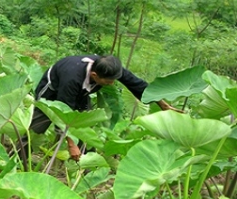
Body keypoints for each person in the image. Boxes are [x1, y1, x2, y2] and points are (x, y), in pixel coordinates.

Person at [25, 54, 182, 161]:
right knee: (37, 127)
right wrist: (71, 144)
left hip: (81, 92)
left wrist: (163, 104)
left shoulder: (110, 68)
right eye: (108, 82)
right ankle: (20, 159)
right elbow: (64, 112)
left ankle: (85, 165)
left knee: (84, 129)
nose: (112, 84)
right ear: (94, 75)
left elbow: (136, 83)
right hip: (52, 92)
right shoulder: (71, 78)